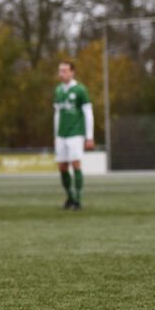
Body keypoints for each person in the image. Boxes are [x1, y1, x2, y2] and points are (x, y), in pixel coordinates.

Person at [54, 61, 94, 210]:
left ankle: (77, 199)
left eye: (65, 71)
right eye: (60, 71)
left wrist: (89, 137)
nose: (62, 74)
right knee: (62, 167)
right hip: (61, 134)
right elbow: (57, 114)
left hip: (76, 133)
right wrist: (55, 134)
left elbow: (88, 113)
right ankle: (69, 197)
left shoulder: (80, 90)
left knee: (75, 164)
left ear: (72, 72)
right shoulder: (58, 90)